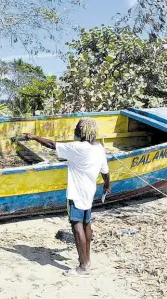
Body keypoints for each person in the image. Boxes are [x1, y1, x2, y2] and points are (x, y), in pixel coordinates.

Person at [24, 117, 110, 275]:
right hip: (90, 192)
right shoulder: (99, 148)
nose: (75, 130)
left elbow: (51, 145)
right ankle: (87, 260)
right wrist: (107, 185)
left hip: (76, 193)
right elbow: (105, 171)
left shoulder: (77, 147)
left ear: (80, 131)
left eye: (77, 128)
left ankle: (83, 266)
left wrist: (34, 137)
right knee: (86, 223)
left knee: (76, 225)